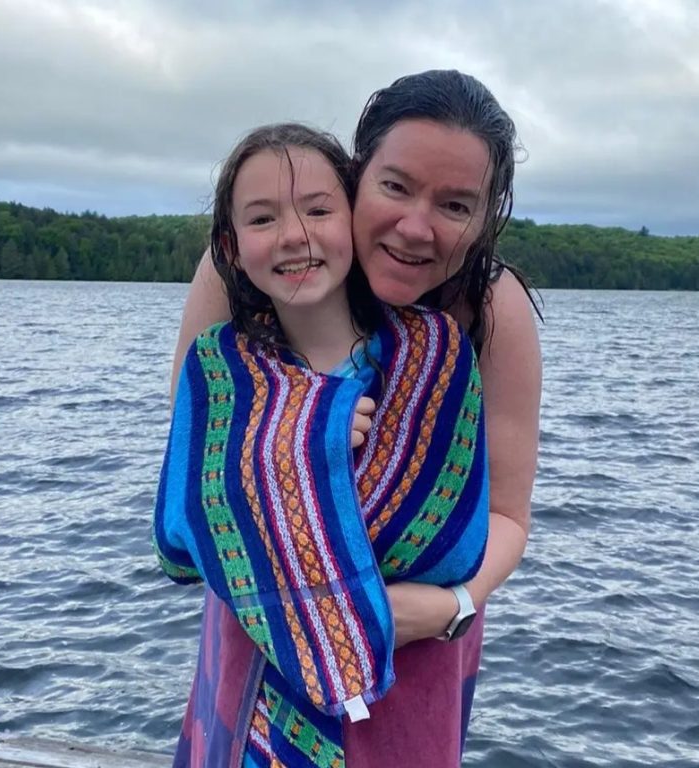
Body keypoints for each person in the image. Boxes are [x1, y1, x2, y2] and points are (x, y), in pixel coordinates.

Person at [169, 70, 541, 767]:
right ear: (354, 172)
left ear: (488, 215)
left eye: (456, 204)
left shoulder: (493, 309)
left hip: (417, 637)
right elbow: (199, 453)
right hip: (267, 605)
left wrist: (449, 606)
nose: (415, 226)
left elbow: (509, 518)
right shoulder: (248, 264)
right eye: (395, 186)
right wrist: (310, 430)